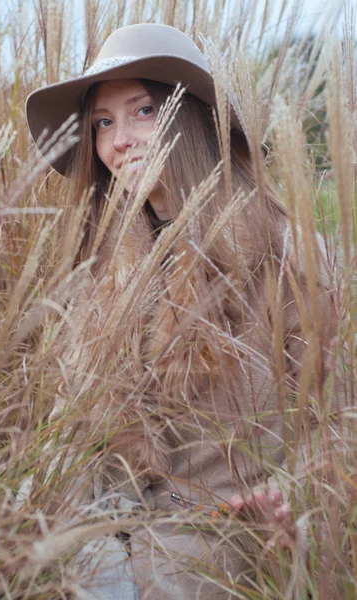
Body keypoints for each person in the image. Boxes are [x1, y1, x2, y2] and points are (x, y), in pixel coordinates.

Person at [26, 23, 339, 599]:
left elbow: (334, 409)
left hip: (224, 531)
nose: (120, 139)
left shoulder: (287, 253)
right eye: (103, 122)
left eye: (143, 110)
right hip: (109, 520)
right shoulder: (106, 262)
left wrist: (299, 503)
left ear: (191, 118)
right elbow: (80, 420)